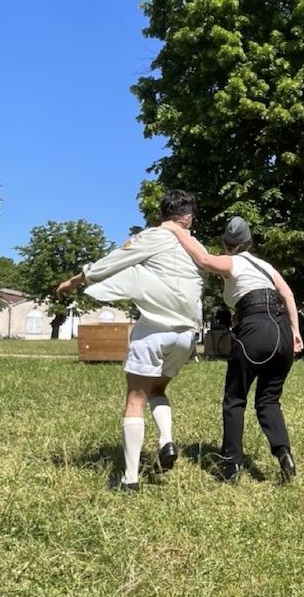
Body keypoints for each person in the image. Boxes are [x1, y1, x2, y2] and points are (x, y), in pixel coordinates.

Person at [57, 190, 203, 493]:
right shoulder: (195, 246)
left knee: (135, 399)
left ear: (163, 214)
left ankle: (131, 478)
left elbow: (114, 261)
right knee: (158, 389)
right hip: (186, 335)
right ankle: (166, 440)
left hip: (154, 331)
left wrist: (75, 281)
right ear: (187, 217)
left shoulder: (153, 237)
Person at [166, 215, 303, 483]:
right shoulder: (266, 266)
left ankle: (232, 466)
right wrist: (296, 331)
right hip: (282, 333)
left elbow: (204, 260)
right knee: (268, 400)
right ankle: (284, 453)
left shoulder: (232, 262)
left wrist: (177, 231)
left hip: (253, 331)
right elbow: (287, 294)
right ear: (249, 242)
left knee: (234, 400)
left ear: (227, 244)